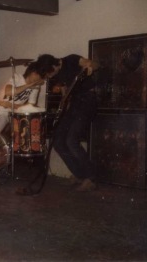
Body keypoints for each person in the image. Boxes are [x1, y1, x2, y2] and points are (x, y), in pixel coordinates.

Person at [38, 53, 99, 192]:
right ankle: (79, 175)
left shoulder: (71, 59)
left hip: (88, 100)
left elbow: (94, 64)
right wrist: (63, 100)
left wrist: (90, 65)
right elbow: (66, 90)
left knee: (72, 140)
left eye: (49, 73)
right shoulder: (57, 74)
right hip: (74, 104)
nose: (50, 77)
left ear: (54, 65)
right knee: (58, 141)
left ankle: (91, 178)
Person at [0, 61, 47, 133]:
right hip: (0, 110)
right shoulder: (17, 77)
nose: (38, 79)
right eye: (37, 75)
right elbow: (9, 92)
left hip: (14, 113)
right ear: (32, 72)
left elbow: (30, 106)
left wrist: (12, 106)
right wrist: (28, 86)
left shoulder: (36, 87)